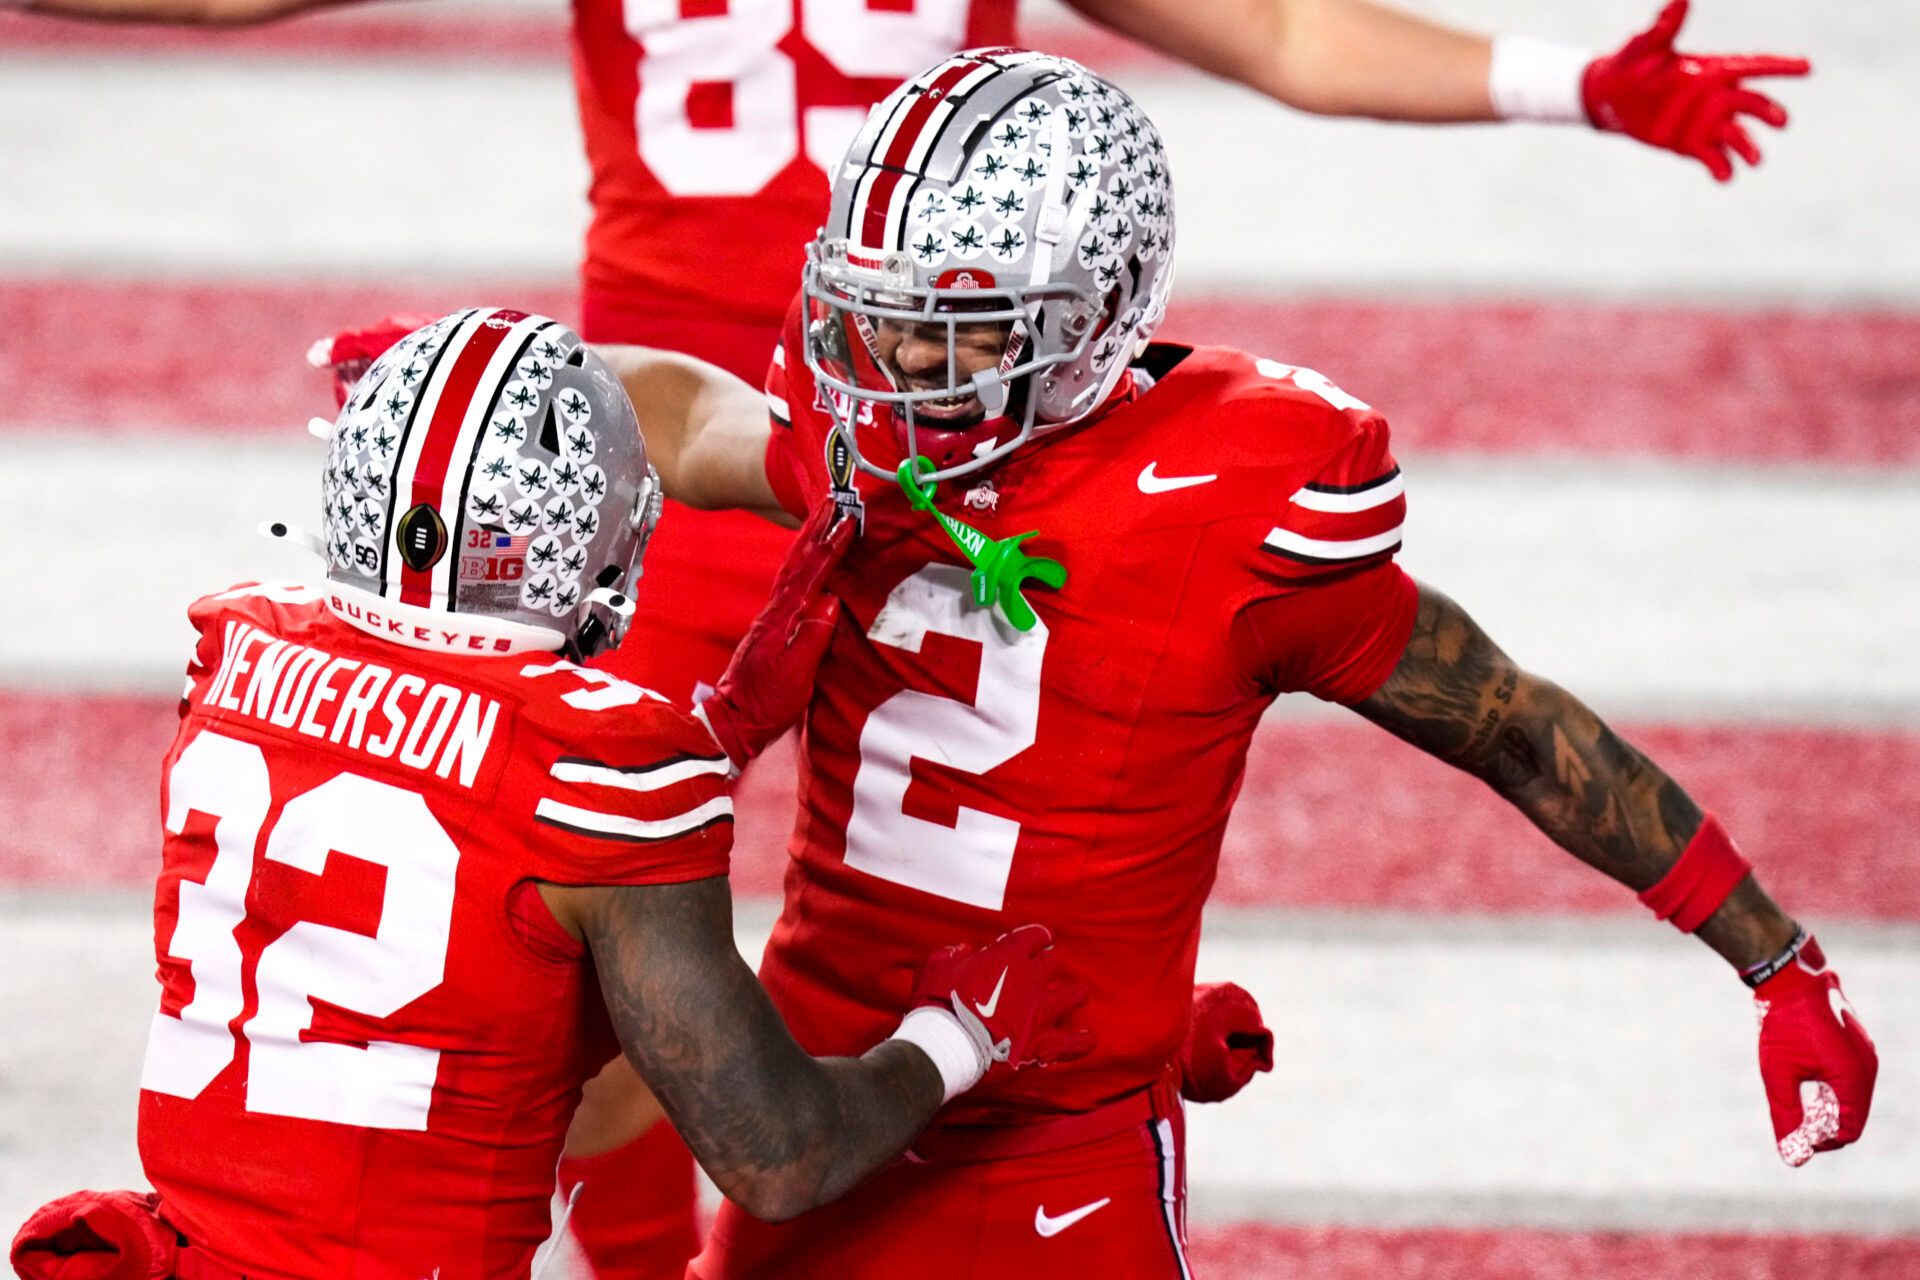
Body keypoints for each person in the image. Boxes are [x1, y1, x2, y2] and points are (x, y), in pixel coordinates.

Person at [20, 0, 1814, 1266]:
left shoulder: (1183, 495)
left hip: (684, 445)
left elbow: (1276, 31)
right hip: (676, 465)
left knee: (558, 921)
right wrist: (526, 412)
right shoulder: (865, 422)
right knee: (582, 941)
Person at [580, 50, 1880, 1276]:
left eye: (956, 327)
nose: (898, 365)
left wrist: (1774, 957)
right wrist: (488, 393)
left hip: (1052, 1144)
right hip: (823, 1088)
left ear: (1094, 316)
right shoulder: (878, 434)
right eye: (878, 317)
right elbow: (693, 418)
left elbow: (1516, 730)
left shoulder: (1228, 503)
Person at [5, 310, 1093, 1280]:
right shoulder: (603, 769)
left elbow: (472, 947)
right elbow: (779, 1150)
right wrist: (960, 1037)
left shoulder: (234, 652)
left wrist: (723, 730)